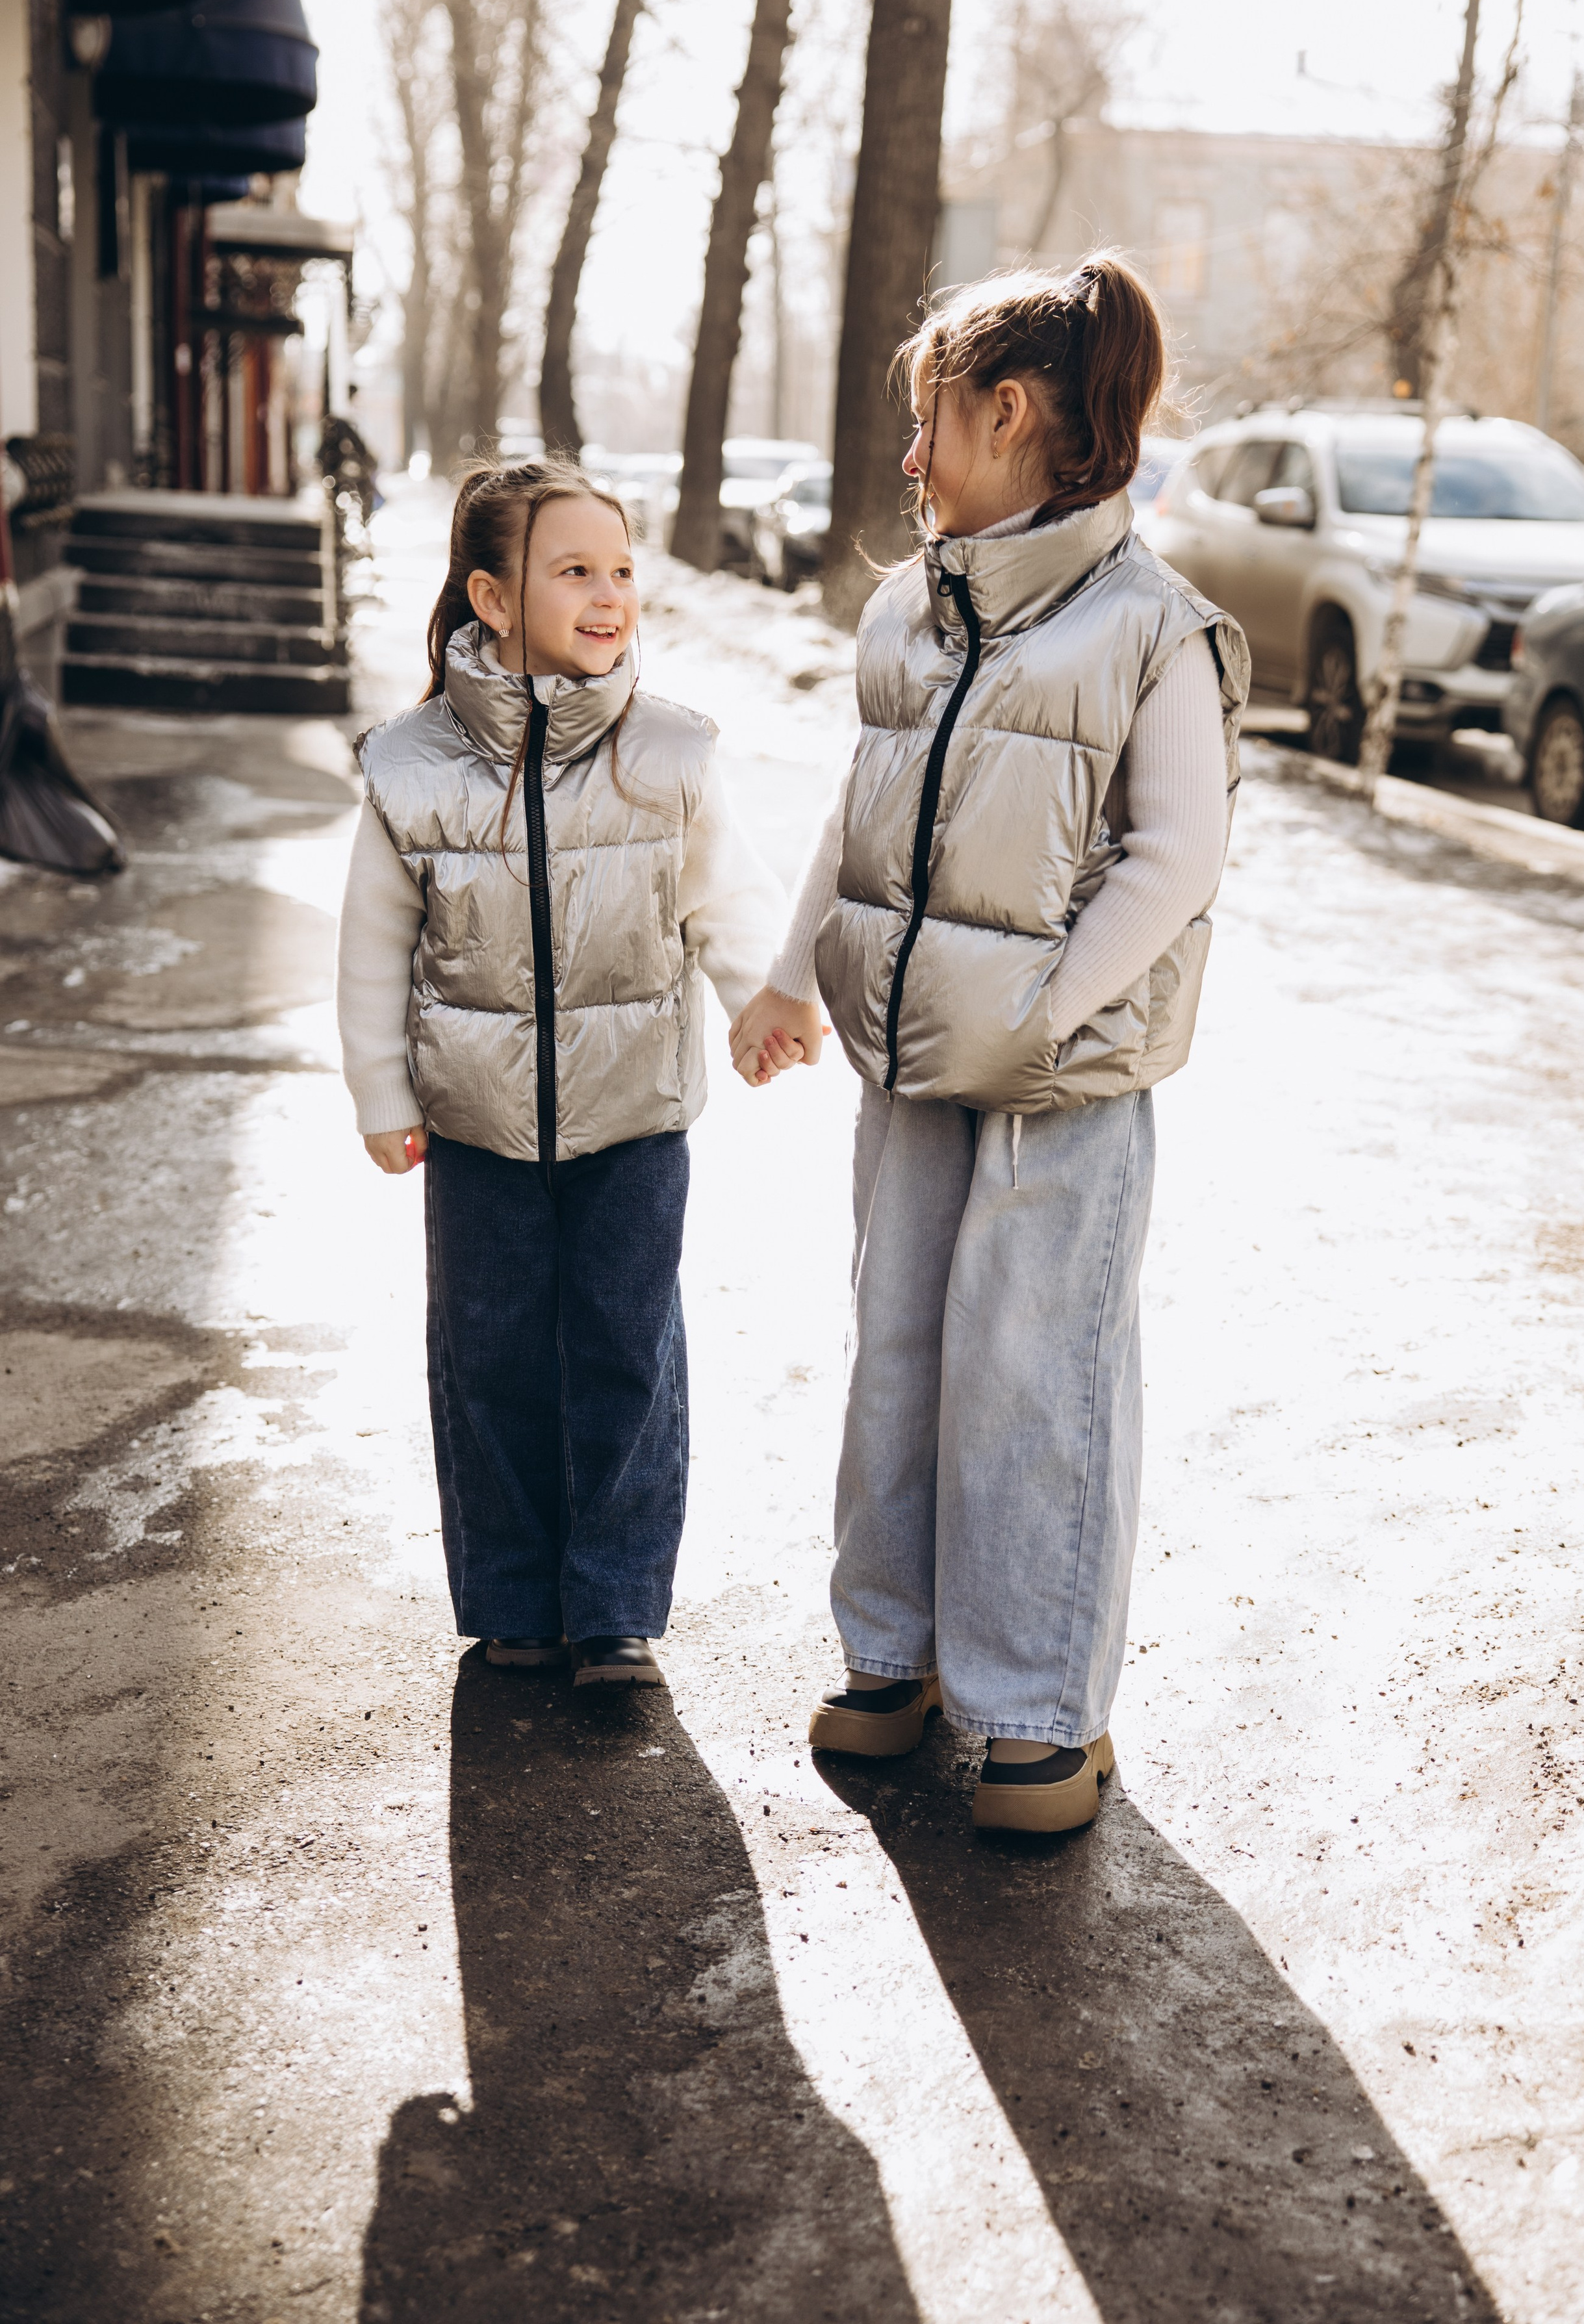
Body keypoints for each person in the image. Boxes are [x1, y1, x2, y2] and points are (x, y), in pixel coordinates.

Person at [729, 257, 1249, 1833]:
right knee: (898, 1356)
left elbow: (1177, 857)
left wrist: (1051, 1007)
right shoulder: (913, 604)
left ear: (1007, 412)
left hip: (1053, 1091)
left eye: (924, 421)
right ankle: (897, 1657)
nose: (907, 460)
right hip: (909, 1070)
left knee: (1030, 1379)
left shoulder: (1153, 629)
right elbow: (859, 812)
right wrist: (784, 980)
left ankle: (1033, 1710)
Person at [337, 458, 791, 1687]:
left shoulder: (671, 752)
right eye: (575, 571)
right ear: (492, 597)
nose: (609, 595)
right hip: (476, 1123)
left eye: (623, 570)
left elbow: (727, 902)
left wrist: (760, 1005)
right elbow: (375, 946)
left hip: (634, 1114)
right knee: (487, 1353)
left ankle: (614, 1609)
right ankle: (513, 1599)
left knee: (624, 1349)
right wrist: (383, 1092)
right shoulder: (411, 765)